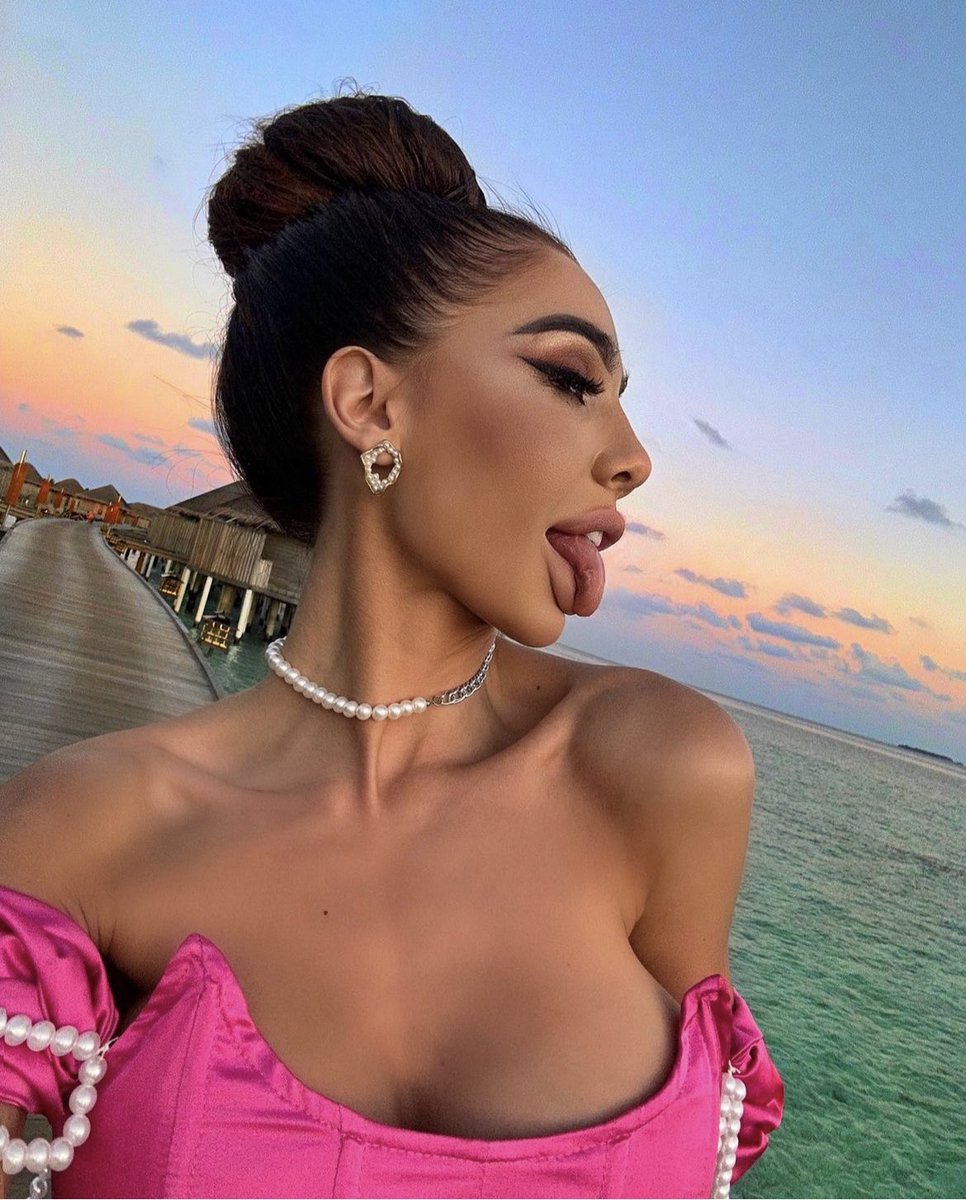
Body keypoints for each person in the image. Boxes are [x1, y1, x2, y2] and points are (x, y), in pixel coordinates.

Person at [0, 85, 783, 1198]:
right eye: (571, 380)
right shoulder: (79, 832)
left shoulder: (662, 770)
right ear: (369, 402)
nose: (634, 458)